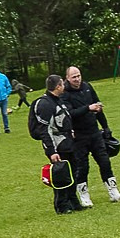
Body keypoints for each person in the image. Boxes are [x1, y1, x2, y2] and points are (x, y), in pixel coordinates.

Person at [58, 65, 120, 202]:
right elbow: (69, 114)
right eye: (74, 77)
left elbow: (98, 107)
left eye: (79, 76)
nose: (77, 79)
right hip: (78, 135)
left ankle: (114, 191)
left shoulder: (87, 87)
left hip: (94, 132)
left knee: (105, 161)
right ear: (67, 78)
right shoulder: (65, 94)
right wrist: (88, 108)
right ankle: (84, 195)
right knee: (83, 166)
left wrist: (105, 127)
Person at [28, 75, 91, 214]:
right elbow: (45, 130)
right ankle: (62, 205)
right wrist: (52, 151)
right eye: (62, 84)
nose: (64, 86)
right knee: (61, 175)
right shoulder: (45, 104)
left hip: (68, 142)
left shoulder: (58, 100)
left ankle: (74, 202)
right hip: (58, 145)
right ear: (58, 87)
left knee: (73, 172)